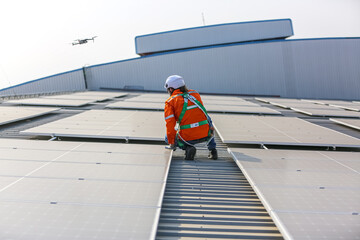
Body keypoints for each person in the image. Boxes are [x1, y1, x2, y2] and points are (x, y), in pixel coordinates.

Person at [164, 75, 218, 160]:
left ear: (171, 89)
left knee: (167, 138)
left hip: (188, 138)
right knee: (207, 117)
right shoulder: (195, 94)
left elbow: (170, 124)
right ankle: (213, 150)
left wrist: (172, 144)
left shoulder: (170, 102)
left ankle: (187, 148)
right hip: (206, 134)